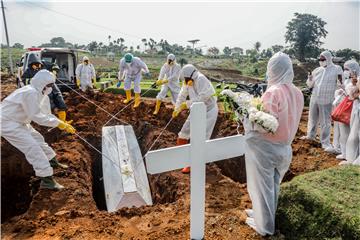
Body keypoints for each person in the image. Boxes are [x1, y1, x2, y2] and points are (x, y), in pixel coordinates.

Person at [244, 52, 304, 236]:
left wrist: (247, 115)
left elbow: (265, 126)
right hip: (284, 148)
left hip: (266, 149)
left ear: (273, 69)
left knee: (262, 187)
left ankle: (264, 228)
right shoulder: (298, 92)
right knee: (273, 186)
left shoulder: (273, 92)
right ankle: (263, 215)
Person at [0, 70, 76, 190]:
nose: (51, 88)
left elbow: (46, 114)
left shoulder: (41, 94)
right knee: (33, 147)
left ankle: (52, 161)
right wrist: (59, 124)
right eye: (50, 85)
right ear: (42, 83)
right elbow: (37, 117)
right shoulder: (30, 92)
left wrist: (61, 123)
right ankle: (46, 180)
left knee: (38, 139)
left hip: (20, 121)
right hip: (7, 123)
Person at [172, 64, 218, 174]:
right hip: (196, 110)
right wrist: (177, 108)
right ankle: (182, 160)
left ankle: (193, 164)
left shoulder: (201, 79)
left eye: (187, 79)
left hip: (208, 111)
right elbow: (182, 95)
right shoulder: (188, 82)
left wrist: (186, 104)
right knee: (183, 133)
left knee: (200, 138)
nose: (186, 82)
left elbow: (203, 97)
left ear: (191, 75)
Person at [301, 51, 343, 152]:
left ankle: (325, 142)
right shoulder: (317, 70)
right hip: (315, 97)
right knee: (312, 117)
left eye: (323, 59)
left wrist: (340, 82)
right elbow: (310, 85)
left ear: (328, 59)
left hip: (327, 99)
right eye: (320, 59)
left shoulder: (336, 69)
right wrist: (310, 77)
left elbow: (340, 83)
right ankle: (310, 135)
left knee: (325, 121)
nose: (321, 61)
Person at [333, 60, 360, 159]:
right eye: (344, 69)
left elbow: (354, 94)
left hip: (354, 109)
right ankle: (345, 153)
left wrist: (352, 87)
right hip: (346, 108)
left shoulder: (358, 80)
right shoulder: (347, 80)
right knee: (343, 131)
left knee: (353, 133)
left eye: (347, 69)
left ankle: (353, 155)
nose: (345, 71)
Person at [340, 65, 360, 165]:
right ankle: (352, 158)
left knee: (356, 134)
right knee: (354, 134)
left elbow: (353, 94)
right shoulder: (357, 79)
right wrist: (354, 85)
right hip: (356, 108)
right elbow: (352, 95)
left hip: (357, 108)